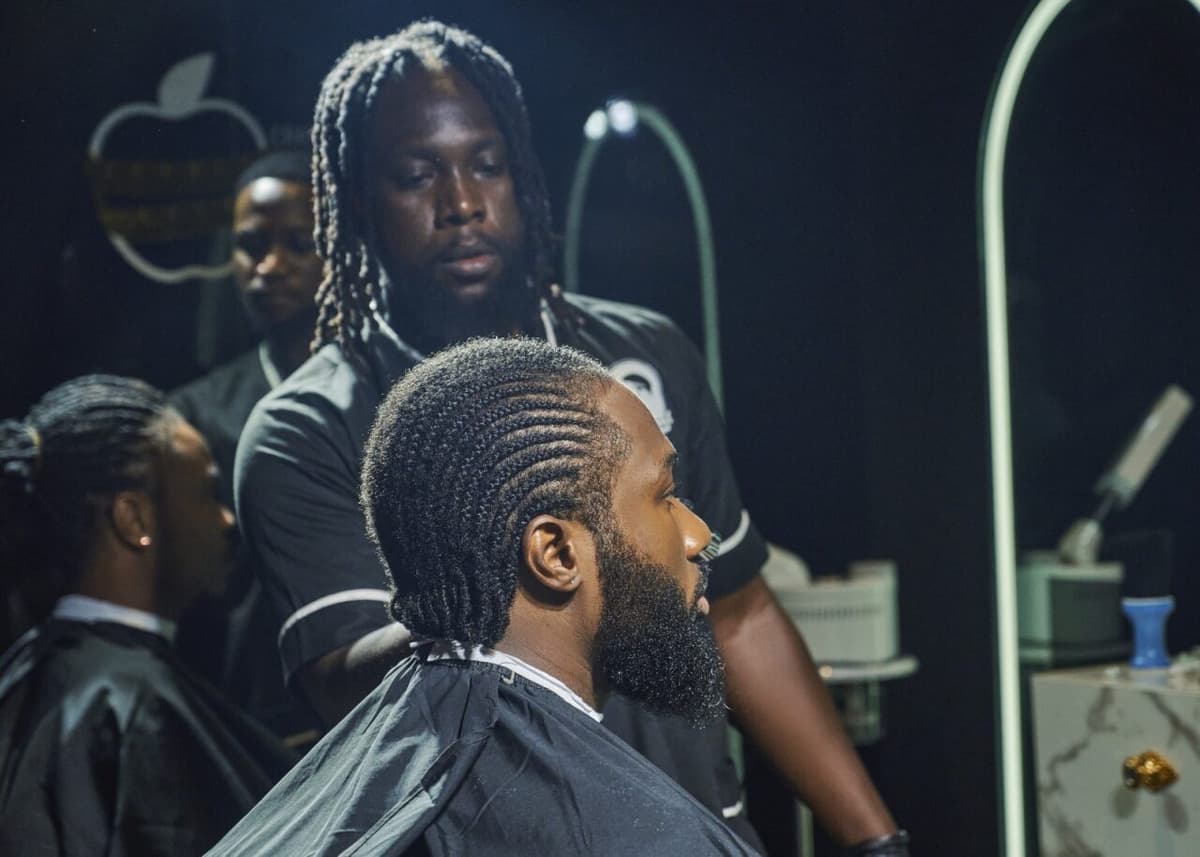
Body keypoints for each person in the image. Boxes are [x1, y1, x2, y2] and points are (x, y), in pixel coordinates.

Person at [235, 20, 908, 855]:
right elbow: (344, 686)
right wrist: (499, 591)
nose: (462, 203)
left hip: (691, 826)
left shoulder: (640, 355)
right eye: (417, 175)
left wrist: (877, 841)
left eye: (487, 164)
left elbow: (737, 612)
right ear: (361, 198)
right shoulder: (308, 426)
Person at [211, 337, 759, 855]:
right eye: (664, 496)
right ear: (556, 553)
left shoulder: (318, 804)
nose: (698, 534)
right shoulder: (654, 841)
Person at [0, 375, 295, 857]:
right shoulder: (130, 708)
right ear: (134, 518)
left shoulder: (27, 672)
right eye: (208, 493)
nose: (226, 520)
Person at [171, 150, 323, 743]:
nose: (270, 266)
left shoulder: (391, 396)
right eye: (252, 245)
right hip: (241, 725)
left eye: (298, 243)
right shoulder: (194, 416)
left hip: (374, 714)